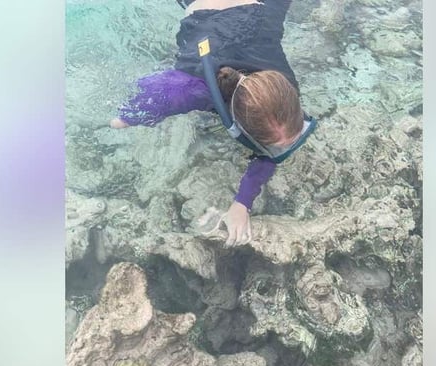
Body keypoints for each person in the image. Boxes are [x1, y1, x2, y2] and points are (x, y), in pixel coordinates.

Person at [109, 0, 315, 247]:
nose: (278, 152)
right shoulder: (193, 89)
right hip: (205, 9)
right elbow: (118, 122)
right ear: (237, 124)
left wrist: (242, 204)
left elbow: (269, 150)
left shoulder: (286, 89)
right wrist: (128, 117)